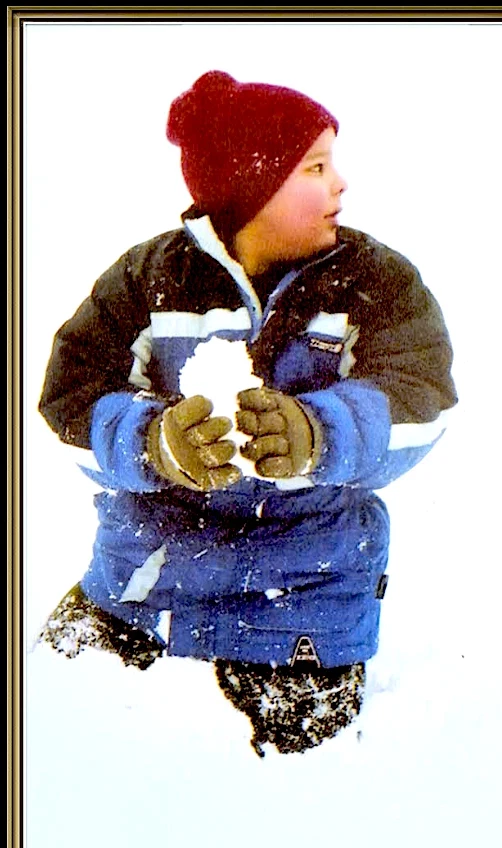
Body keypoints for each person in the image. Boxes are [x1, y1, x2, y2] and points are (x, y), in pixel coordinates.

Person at [38, 70, 458, 756]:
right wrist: (153, 444)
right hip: (141, 585)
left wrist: (319, 434)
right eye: (315, 168)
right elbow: (69, 402)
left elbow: (423, 402)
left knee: (285, 786)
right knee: (49, 728)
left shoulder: (375, 282)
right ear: (253, 186)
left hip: (303, 605)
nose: (341, 184)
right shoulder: (149, 279)